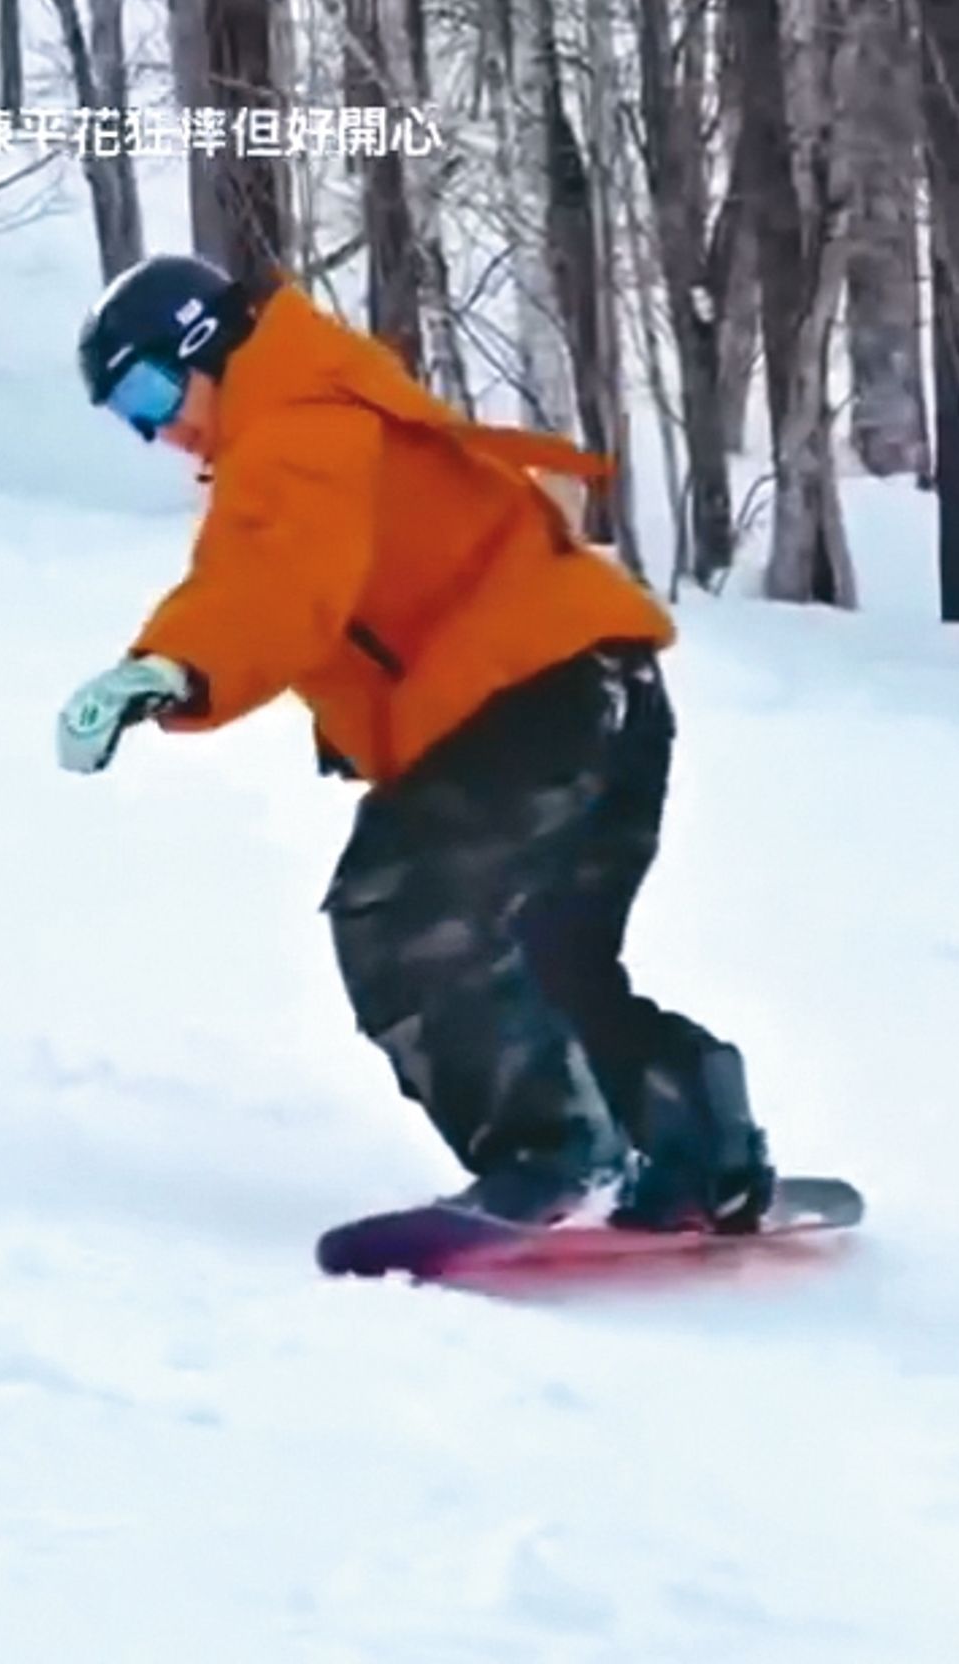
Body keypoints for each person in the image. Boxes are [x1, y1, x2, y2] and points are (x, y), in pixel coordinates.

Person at [56, 254, 775, 1234]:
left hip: (524, 704)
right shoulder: (331, 401)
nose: (153, 429)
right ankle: (694, 1140)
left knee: (402, 915)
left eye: (147, 391)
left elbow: (273, 582)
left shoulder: (294, 427)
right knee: (545, 952)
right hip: (607, 693)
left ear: (202, 344)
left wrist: (173, 666)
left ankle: (554, 1156)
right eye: (124, 415)